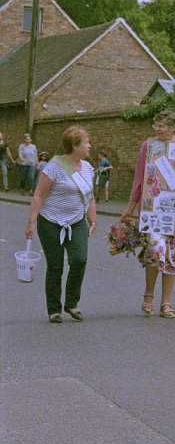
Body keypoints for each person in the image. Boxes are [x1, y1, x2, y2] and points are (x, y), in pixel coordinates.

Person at [121, 110, 175, 319]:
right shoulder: (148, 146)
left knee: (173, 258)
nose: (157, 130)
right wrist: (130, 207)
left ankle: (166, 303)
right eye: (155, 125)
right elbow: (139, 178)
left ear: (173, 127)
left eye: (162, 126)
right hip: (153, 211)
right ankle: (148, 295)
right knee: (155, 251)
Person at [24, 126, 97, 323]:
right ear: (75, 146)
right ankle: (54, 309)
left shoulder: (89, 168)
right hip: (50, 222)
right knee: (55, 266)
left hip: (76, 222)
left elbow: (90, 197)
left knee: (79, 260)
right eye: (86, 142)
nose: (90, 146)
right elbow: (38, 195)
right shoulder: (54, 167)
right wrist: (31, 223)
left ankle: (71, 303)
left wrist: (93, 220)